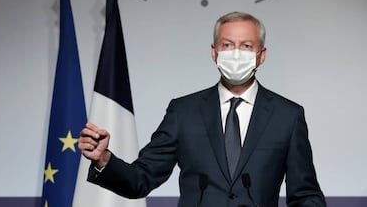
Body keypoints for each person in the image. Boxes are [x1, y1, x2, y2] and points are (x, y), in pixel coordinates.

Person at [79, 11, 326, 206]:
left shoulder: (288, 116)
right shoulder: (183, 112)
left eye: (247, 46)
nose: (236, 53)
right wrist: (103, 158)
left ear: (261, 56)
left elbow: (306, 195)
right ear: (214, 52)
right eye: (228, 45)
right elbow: (140, 179)